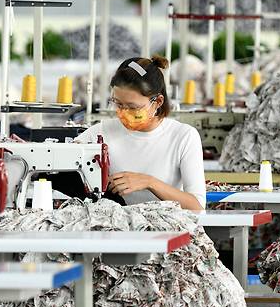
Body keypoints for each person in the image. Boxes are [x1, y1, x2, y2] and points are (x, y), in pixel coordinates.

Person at [76, 55, 205, 210]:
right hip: (115, 229)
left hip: (167, 230)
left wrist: (149, 182)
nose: (123, 112)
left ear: (158, 102)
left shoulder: (183, 137)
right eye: (118, 104)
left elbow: (197, 206)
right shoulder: (101, 132)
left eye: (133, 107)